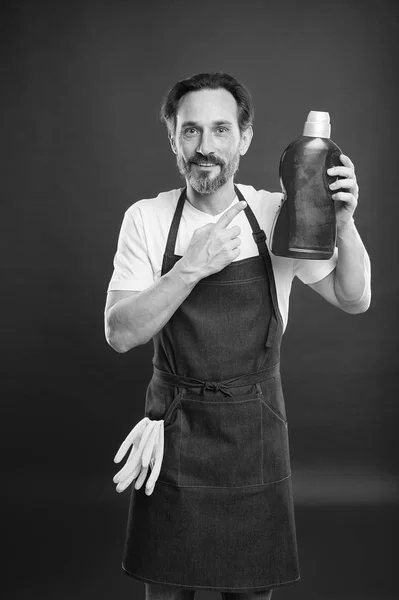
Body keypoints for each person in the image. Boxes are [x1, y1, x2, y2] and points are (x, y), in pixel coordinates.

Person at [104, 72, 371, 600]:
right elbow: (119, 333)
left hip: (255, 435)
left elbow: (353, 297)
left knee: (250, 594)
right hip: (174, 432)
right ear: (174, 138)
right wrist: (189, 269)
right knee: (168, 591)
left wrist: (343, 224)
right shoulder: (147, 219)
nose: (206, 148)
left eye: (221, 130)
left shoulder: (278, 212)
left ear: (245, 138)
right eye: (191, 131)